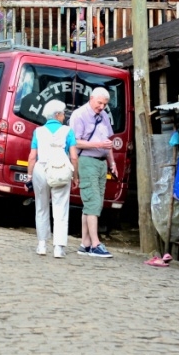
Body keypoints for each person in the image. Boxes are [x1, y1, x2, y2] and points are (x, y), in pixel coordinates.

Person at [69, 86, 117, 258]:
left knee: (92, 204)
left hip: (101, 163)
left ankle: (85, 243)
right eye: (99, 103)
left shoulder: (103, 116)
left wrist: (112, 162)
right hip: (86, 160)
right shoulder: (79, 115)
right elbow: (74, 142)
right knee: (93, 201)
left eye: (104, 104)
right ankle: (96, 243)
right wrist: (98, 145)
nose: (102, 107)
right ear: (91, 98)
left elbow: (108, 142)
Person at [27, 99, 77, 258]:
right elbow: (74, 157)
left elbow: (32, 156)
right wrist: (75, 175)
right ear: (57, 114)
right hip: (60, 169)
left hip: (41, 168)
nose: (64, 116)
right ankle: (58, 247)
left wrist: (29, 176)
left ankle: (42, 245)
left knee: (41, 207)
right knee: (61, 208)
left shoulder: (38, 131)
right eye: (63, 113)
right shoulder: (68, 131)